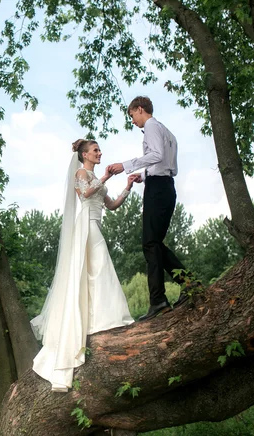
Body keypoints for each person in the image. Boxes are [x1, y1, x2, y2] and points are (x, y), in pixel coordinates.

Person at [31, 138, 135, 392]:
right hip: (86, 226)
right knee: (100, 268)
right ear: (85, 155)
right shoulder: (81, 173)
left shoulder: (95, 177)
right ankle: (103, 319)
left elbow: (111, 206)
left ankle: (101, 318)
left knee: (98, 271)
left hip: (96, 223)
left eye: (99, 150)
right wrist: (106, 177)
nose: (100, 153)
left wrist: (128, 187)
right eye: (95, 150)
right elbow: (83, 194)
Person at [108, 96, 187, 322]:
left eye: (132, 116)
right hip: (165, 187)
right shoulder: (167, 132)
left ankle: (158, 301)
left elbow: (156, 155)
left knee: (150, 244)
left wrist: (125, 165)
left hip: (158, 191)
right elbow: (166, 165)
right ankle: (188, 283)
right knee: (155, 243)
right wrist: (144, 176)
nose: (132, 121)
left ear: (140, 109)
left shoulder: (151, 126)